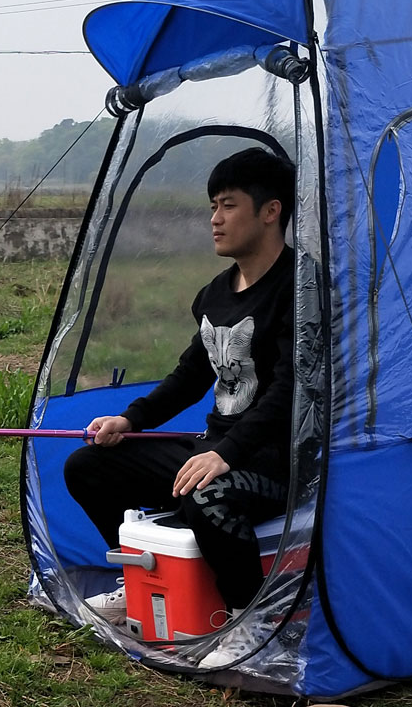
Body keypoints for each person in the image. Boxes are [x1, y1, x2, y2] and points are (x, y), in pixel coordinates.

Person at [63, 147, 295, 667]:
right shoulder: (215, 293)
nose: (214, 219)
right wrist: (130, 420)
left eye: (228, 205)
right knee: (88, 467)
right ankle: (140, 580)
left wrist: (226, 453)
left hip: (276, 459)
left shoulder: (300, 288)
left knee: (205, 491)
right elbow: (191, 374)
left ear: (270, 210)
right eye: (212, 205)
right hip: (216, 448)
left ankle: (250, 619)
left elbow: (288, 393)